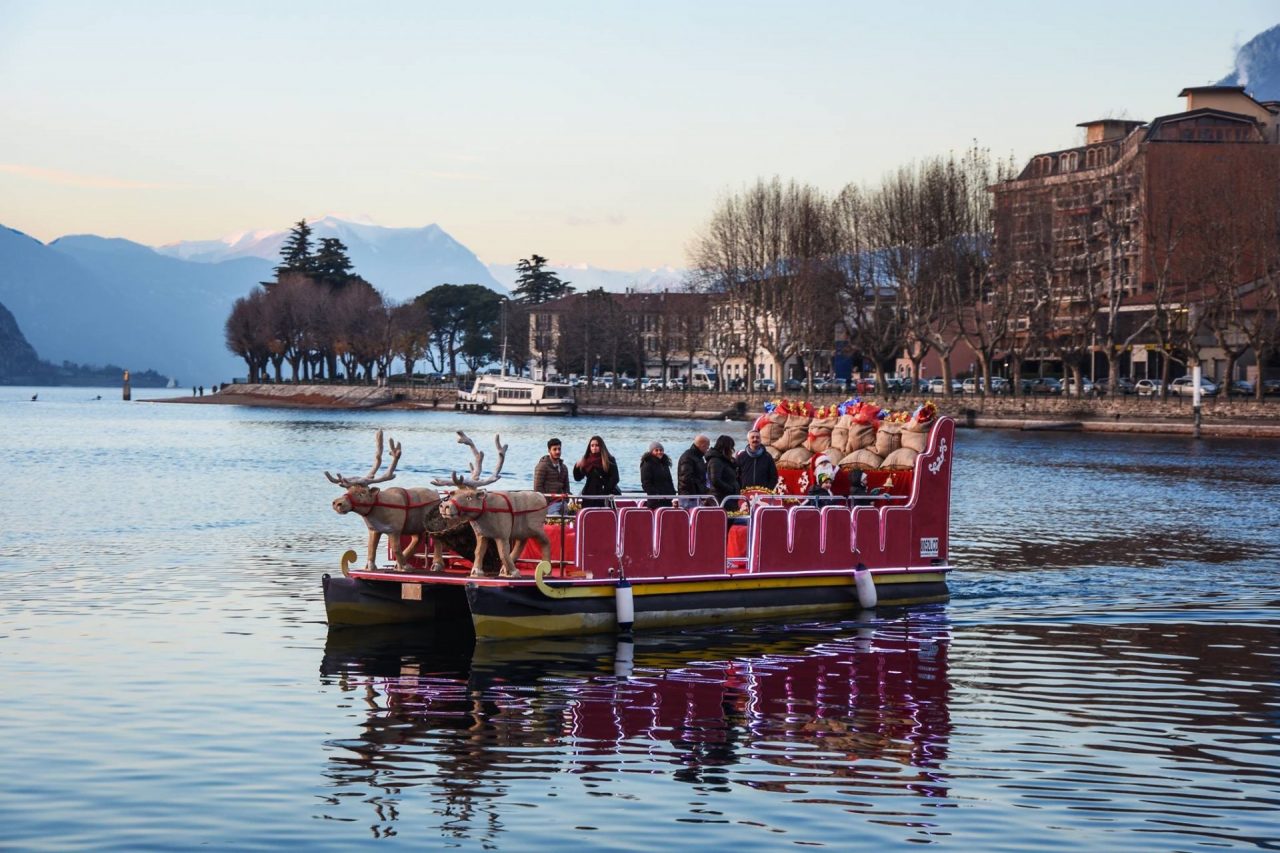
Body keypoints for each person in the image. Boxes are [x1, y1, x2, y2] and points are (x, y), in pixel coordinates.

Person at [573, 435, 620, 506]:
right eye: (592, 445)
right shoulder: (586, 460)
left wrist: (605, 492)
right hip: (588, 495)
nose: (594, 448)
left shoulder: (609, 460)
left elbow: (615, 478)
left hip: (604, 495)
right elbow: (578, 478)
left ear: (601, 446)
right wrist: (576, 467)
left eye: (597, 445)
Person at [534, 438, 570, 515]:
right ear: (549, 450)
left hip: (562, 502)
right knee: (556, 522)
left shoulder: (564, 468)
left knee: (568, 521)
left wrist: (566, 499)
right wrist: (546, 502)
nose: (558, 451)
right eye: (555, 449)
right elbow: (537, 487)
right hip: (550, 504)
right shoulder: (542, 466)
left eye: (559, 449)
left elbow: (567, 487)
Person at [706, 434, 741, 509]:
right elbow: (715, 480)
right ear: (726, 448)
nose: (732, 450)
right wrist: (731, 489)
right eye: (731, 447)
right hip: (721, 498)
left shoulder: (725, 460)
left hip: (729, 498)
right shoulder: (715, 461)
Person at [677, 434, 711, 508]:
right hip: (690, 498)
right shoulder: (688, 457)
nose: (708, 449)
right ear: (702, 445)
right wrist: (696, 494)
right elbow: (686, 479)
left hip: (695, 496)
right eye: (707, 446)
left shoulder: (698, 457)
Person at [639, 441, 675, 510]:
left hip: (668, 499)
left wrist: (672, 494)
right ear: (651, 451)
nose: (659, 452)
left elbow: (669, 481)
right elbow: (646, 483)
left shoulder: (665, 464)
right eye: (656, 450)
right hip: (655, 501)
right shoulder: (647, 464)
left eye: (661, 450)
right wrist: (656, 495)